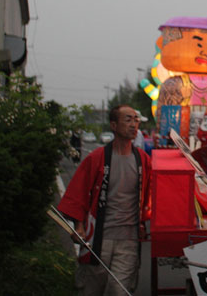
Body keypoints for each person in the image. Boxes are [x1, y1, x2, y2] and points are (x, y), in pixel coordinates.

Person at [58, 105, 152, 296]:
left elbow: (151, 195)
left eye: (136, 120)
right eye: (128, 120)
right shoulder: (97, 158)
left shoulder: (143, 159)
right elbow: (79, 193)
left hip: (129, 238)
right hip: (99, 237)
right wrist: (79, 226)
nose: (133, 124)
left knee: (120, 290)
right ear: (113, 125)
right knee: (92, 289)